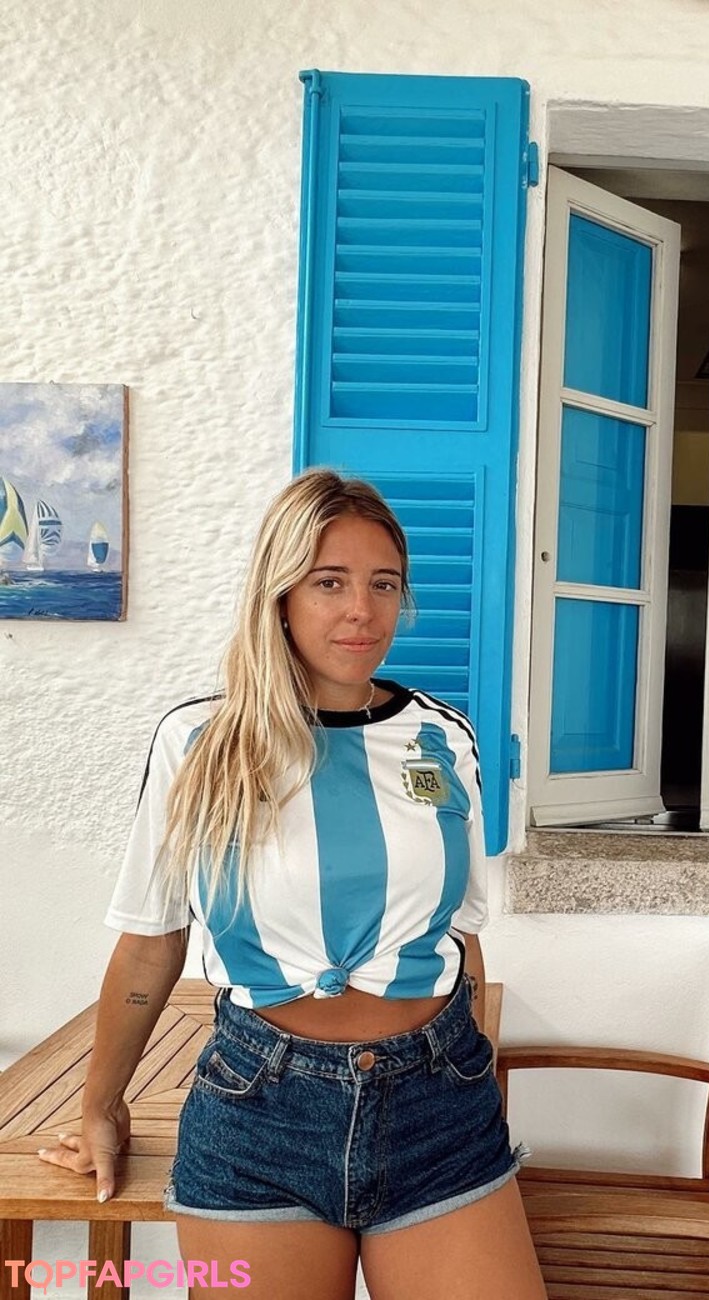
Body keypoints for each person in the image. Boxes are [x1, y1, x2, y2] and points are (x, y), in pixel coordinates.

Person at [39, 470, 548, 1300]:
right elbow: (152, 942)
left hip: (438, 1107)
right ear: (279, 596)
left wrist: (471, 1072)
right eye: (329, 582)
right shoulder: (200, 743)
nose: (363, 611)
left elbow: (459, 934)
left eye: (384, 584)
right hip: (259, 1113)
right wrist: (102, 1107)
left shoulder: (443, 738)